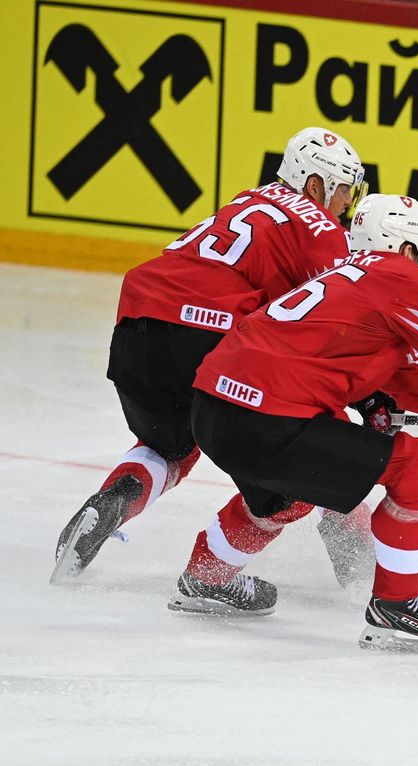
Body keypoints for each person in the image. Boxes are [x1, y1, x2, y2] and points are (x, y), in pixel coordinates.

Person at [170, 194, 418, 653]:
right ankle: (397, 606)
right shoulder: (401, 276)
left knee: (287, 497)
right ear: (406, 249)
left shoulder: (346, 280)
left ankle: (204, 578)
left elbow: (413, 380)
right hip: (271, 415)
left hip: (215, 409)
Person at [52, 127, 371, 585]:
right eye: (342, 189)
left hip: (136, 324)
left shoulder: (245, 201)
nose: (346, 203)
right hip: (207, 335)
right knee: (308, 439)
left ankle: (110, 504)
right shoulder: (320, 228)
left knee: (169, 449)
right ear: (315, 184)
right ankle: (222, 571)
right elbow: (334, 326)